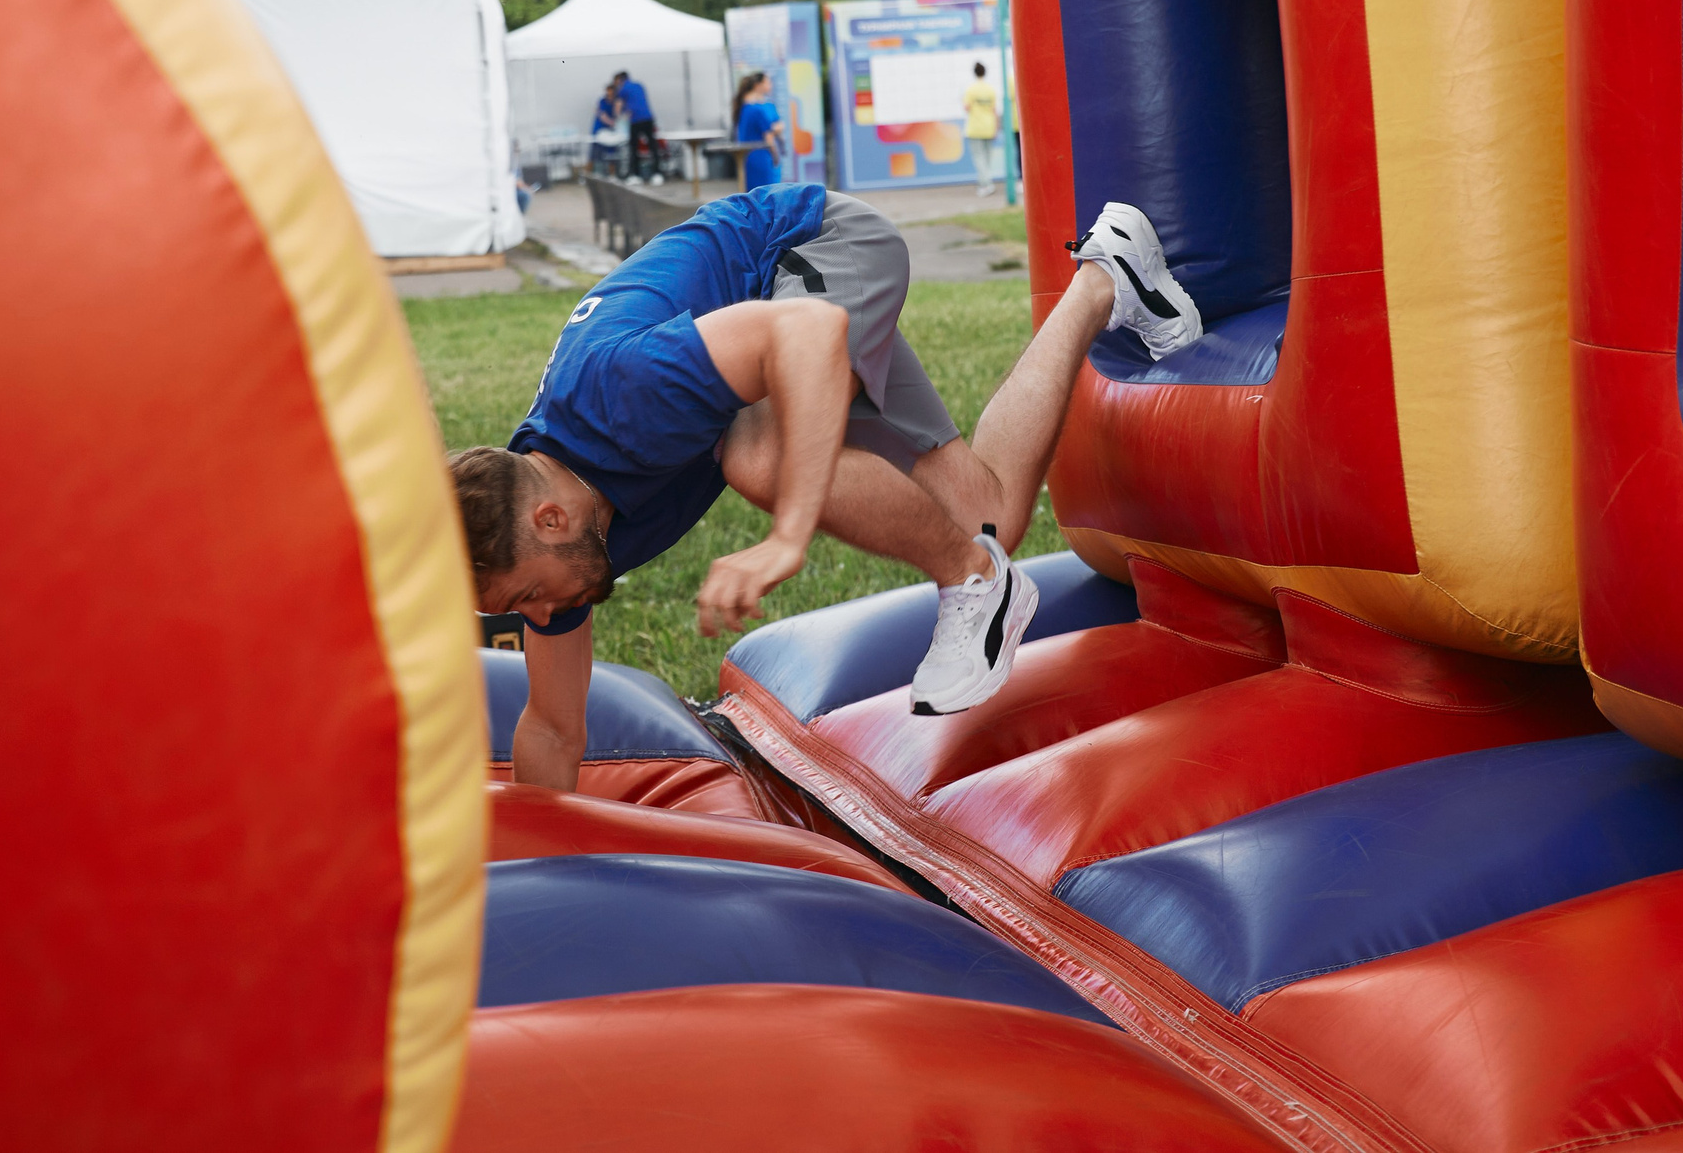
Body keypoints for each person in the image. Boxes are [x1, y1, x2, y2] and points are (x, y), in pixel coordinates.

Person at [452, 183, 1204, 792]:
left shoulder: (621, 398)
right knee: (988, 520)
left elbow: (804, 333)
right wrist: (550, 869)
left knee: (760, 461)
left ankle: (978, 587)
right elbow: (552, 728)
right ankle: (1108, 274)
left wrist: (788, 534)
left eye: (524, 599)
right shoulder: (552, 535)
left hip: (815, 249)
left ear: (549, 519)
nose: (539, 617)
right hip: (774, 320)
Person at [731, 71, 786, 191]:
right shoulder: (757, 109)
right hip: (762, 157)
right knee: (768, 193)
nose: (770, 85)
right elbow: (769, 134)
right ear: (758, 85)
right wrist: (775, 155)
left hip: (749, 156)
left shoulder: (745, 107)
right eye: (768, 82)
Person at [612, 70, 661, 184]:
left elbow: (618, 107)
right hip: (648, 118)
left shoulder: (623, 88)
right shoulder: (639, 85)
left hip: (636, 121)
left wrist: (617, 118)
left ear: (619, 80)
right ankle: (657, 174)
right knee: (653, 147)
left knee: (634, 148)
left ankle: (635, 175)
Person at [962, 60, 1002, 197]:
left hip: (975, 128)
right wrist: (996, 128)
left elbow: (967, 108)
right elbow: (994, 110)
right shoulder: (990, 89)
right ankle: (983, 183)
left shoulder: (971, 89)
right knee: (987, 158)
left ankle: (987, 184)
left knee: (979, 159)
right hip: (989, 126)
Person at [588, 85, 628, 179]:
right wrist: (612, 122)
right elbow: (602, 115)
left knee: (612, 154)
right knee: (593, 154)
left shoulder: (616, 102)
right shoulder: (602, 101)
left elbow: (619, 114)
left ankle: (612, 175)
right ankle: (587, 175)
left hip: (610, 132)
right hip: (599, 130)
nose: (609, 94)